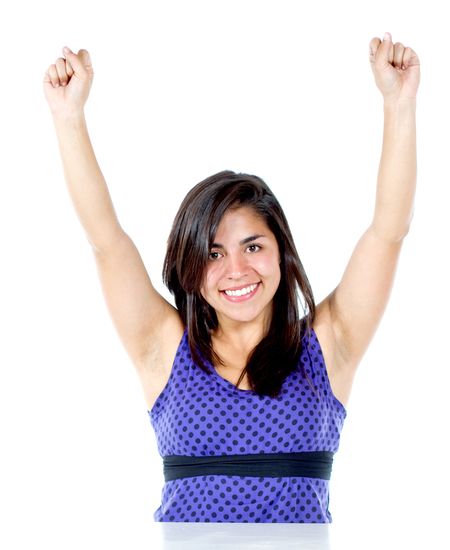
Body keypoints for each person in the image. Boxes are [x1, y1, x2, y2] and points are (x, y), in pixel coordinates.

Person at [43, 32, 420, 523]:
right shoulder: (165, 348)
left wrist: (399, 103)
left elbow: (387, 232)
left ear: (282, 254)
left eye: (253, 247)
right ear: (191, 267)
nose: (236, 270)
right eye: (213, 253)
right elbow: (105, 239)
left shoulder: (329, 345)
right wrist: (69, 116)